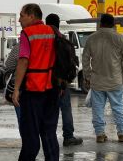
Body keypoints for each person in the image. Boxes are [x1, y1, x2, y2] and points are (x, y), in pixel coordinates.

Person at [12, 3, 60, 161]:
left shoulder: (27, 33)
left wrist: (16, 89)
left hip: (33, 89)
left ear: (32, 16)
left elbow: (23, 61)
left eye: (22, 15)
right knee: (49, 133)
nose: (19, 20)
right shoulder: (53, 31)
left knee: (30, 134)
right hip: (52, 89)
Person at [82, 13, 123, 143]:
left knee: (97, 108)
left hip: (97, 81)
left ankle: (100, 134)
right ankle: (122, 134)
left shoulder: (91, 38)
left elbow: (85, 58)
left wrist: (87, 75)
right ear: (113, 24)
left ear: (100, 24)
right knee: (118, 107)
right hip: (115, 80)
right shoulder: (120, 38)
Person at [45, 13, 83, 147]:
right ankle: (68, 137)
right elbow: (71, 63)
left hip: (42, 81)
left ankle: (47, 137)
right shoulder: (62, 39)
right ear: (58, 23)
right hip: (61, 82)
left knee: (46, 110)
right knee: (65, 109)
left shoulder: (41, 37)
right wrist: (66, 80)